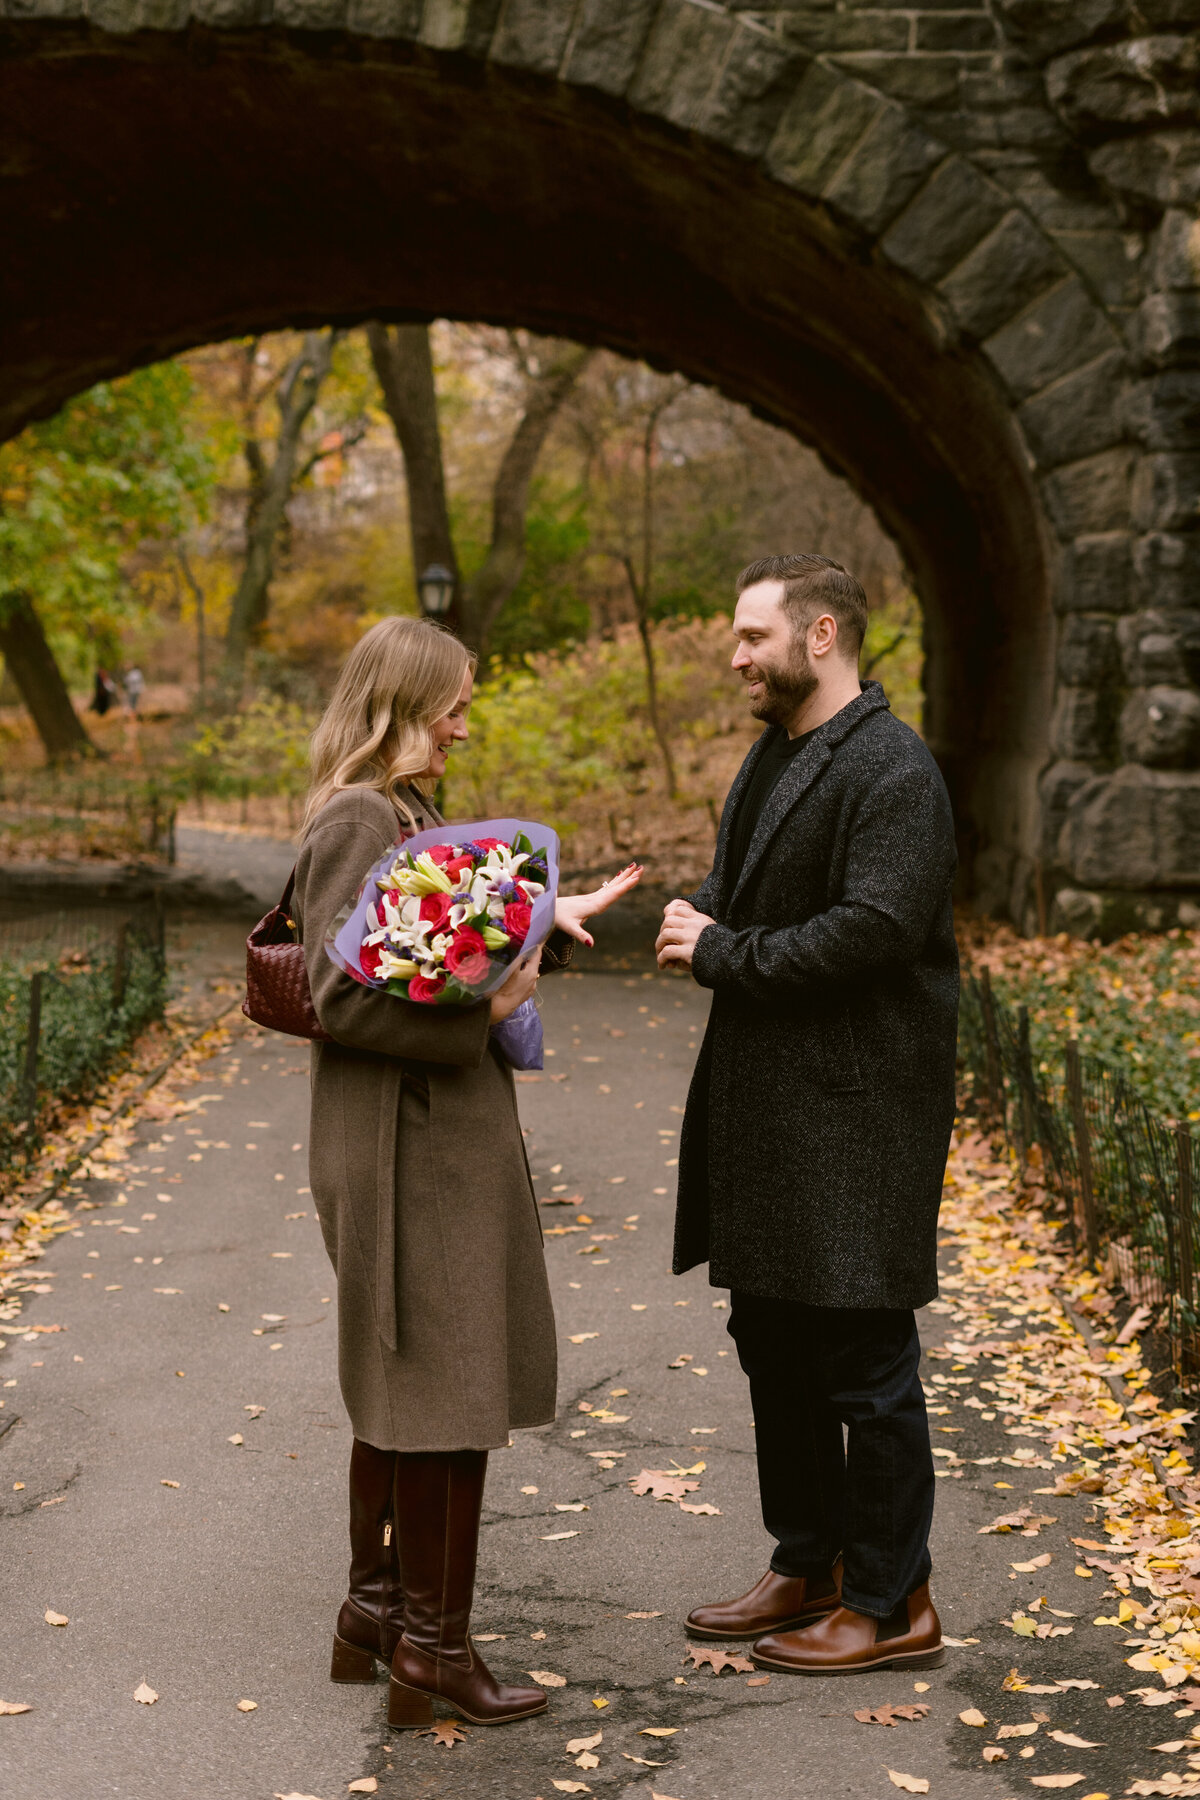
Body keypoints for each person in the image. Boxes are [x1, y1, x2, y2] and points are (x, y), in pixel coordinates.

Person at [293, 615, 640, 1728]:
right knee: (443, 1389)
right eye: (452, 702)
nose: (462, 722)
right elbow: (339, 995)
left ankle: (378, 1612)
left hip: (429, 1132)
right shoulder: (357, 814)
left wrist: (544, 913)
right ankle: (432, 1651)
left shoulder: (408, 813)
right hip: (405, 1139)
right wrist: (488, 1010)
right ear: (400, 701)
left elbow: (439, 940)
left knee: (418, 1381)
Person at [656, 553, 958, 1675]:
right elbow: (759, 897)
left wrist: (723, 948)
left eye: (752, 636)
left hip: (856, 1109)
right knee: (771, 1332)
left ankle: (893, 1601)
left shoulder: (892, 769)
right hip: (772, 1108)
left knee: (862, 1353)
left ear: (821, 636)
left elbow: (876, 929)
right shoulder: (778, 752)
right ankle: (810, 1559)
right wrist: (707, 914)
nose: (735, 655)